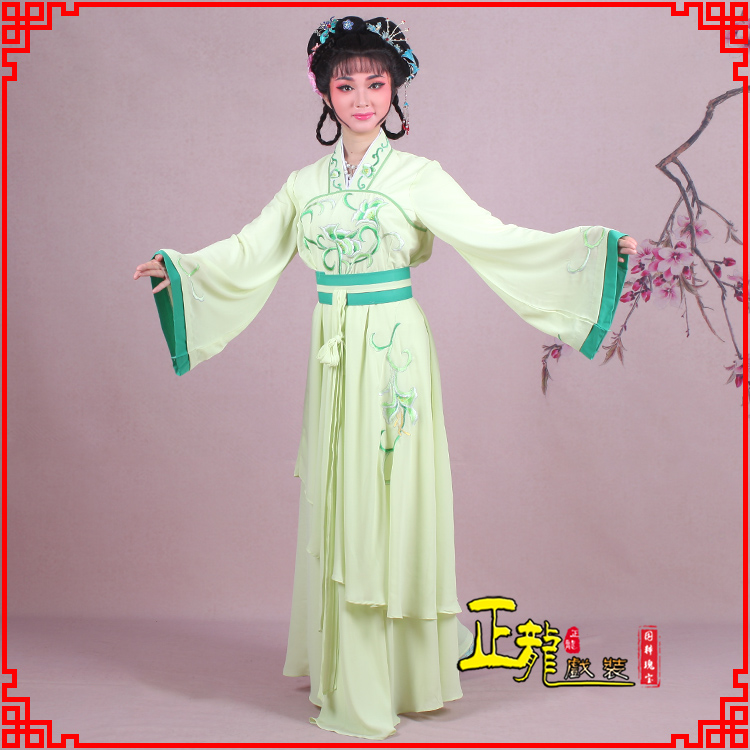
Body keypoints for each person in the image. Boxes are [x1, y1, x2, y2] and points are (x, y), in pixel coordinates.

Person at [134, 15, 638, 739]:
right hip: (332, 347)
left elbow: (496, 238)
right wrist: (178, 270)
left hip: (393, 350)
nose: (363, 97)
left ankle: (393, 675)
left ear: (395, 89)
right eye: (347, 85)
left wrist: (596, 250)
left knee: (387, 498)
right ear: (324, 93)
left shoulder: (418, 176)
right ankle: (347, 665)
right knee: (340, 499)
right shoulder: (304, 184)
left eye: (376, 83)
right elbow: (249, 250)